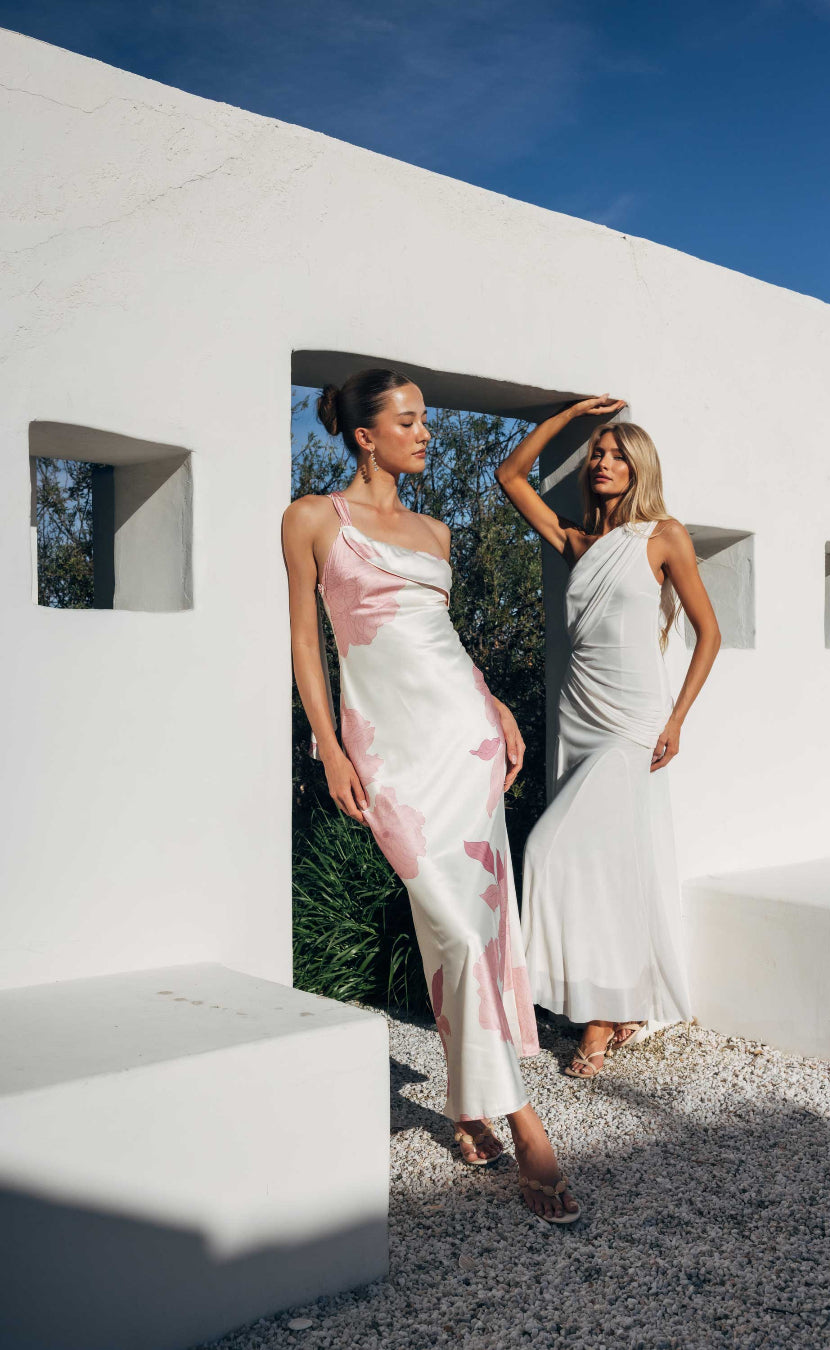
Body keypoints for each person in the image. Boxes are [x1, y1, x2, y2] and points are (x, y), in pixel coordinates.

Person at [282, 368, 579, 1221]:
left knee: (470, 928)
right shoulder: (312, 519)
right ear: (365, 435)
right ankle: (519, 1119)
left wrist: (496, 705)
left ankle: (485, 1110)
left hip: (464, 740)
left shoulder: (435, 531)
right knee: (450, 922)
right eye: (408, 421)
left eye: (425, 420)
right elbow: (305, 641)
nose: (425, 434)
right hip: (390, 751)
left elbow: (439, 640)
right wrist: (330, 748)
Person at [496, 397, 720, 1079]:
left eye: (618, 454)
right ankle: (611, 1004)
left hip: (633, 721)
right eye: (598, 452)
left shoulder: (664, 536)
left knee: (548, 847)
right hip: (580, 714)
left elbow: (709, 634)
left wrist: (677, 718)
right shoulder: (576, 543)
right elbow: (509, 477)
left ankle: (599, 1018)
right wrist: (567, 419)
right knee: (599, 866)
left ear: (638, 468)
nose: (603, 462)